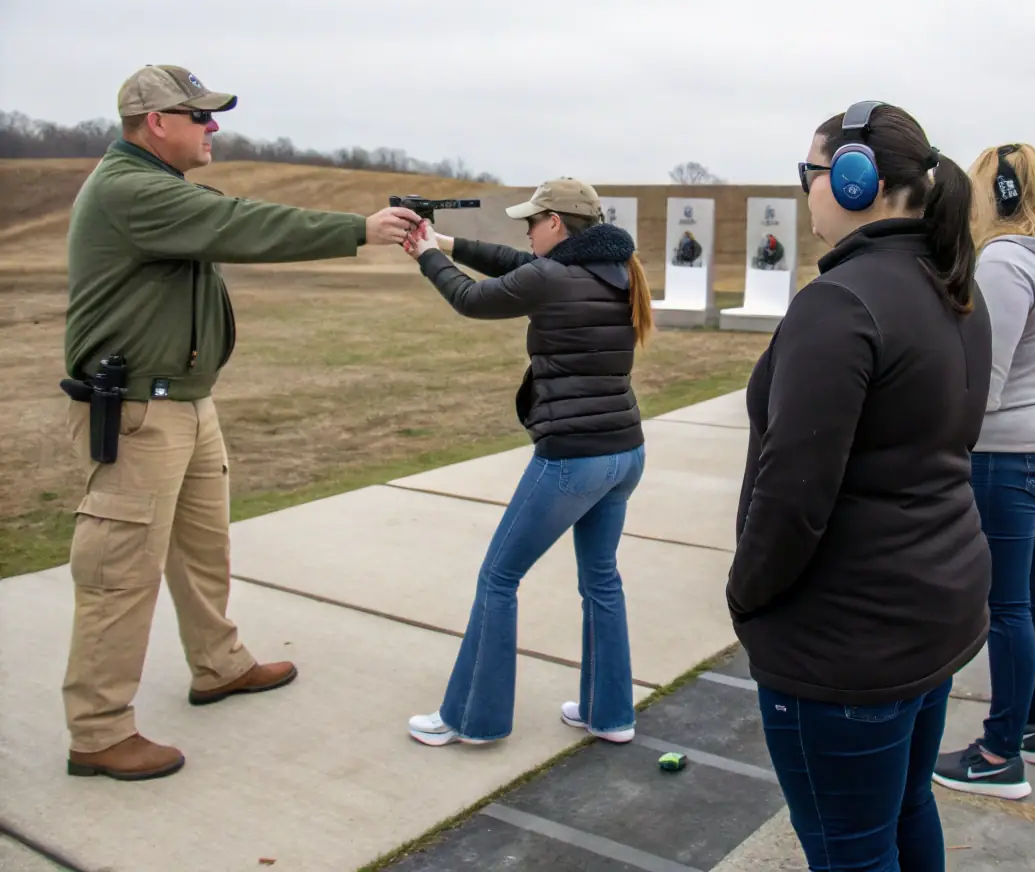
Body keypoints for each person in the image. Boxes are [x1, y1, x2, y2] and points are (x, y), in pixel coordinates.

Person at [59, 64, 422, 781]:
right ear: (156, 122)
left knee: (202, 548)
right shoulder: (131, 190)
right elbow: (240, 224)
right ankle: (98, 731)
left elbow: (223, 224)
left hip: (183, 402)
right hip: (138, 411)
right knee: (120, 571)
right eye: (199, 116)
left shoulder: (161, 189)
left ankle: (218, 665)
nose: (213, 127)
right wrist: (359, 228)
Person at [727, 101, 992, 870]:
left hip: (843, 639)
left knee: (850, 851)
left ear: (852, 182)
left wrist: (747, 594)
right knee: (905, 810)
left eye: (807, 173)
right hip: (927, 611)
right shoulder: (950, 286)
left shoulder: (838, 303)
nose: (804, 189)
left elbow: (793, 491)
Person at [401, 178, 653, 747]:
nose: (528, 233)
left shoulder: (555, 276)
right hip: (624, 452)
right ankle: (610, 714)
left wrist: (424, 256)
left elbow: (470, 299)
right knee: (602, 582)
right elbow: (516, 263)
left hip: (573, 457)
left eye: (532, 222)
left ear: (557, 224)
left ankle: (473, 719)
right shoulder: (615, 270)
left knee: (498, 578)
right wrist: (445, 241)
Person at [933, 143, 1035, 801]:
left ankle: (999, 753)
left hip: (1004, 455)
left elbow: (983, 386)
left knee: (1005, 609)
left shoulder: (1003, 261)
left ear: (995, 195)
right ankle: (1026, 729)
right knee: (1028, 599)